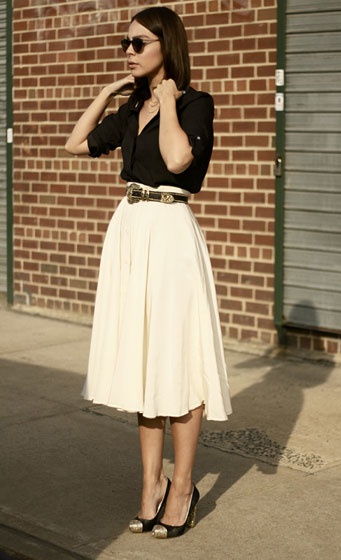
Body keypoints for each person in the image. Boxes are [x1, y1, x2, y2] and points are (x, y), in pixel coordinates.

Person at [65, 6, 232, 539]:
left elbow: (179, 160)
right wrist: (112, 92)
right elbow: (75, 143)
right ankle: (150, 485)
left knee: (177, 358)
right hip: (131, 232)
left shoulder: (196, 104)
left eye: (139, 43)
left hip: (170, 232)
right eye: (125, 43)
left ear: (167, 45)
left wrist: (166, 101)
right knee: (143, 362)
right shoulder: (131, 106)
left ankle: (182, 486)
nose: (129, 51)